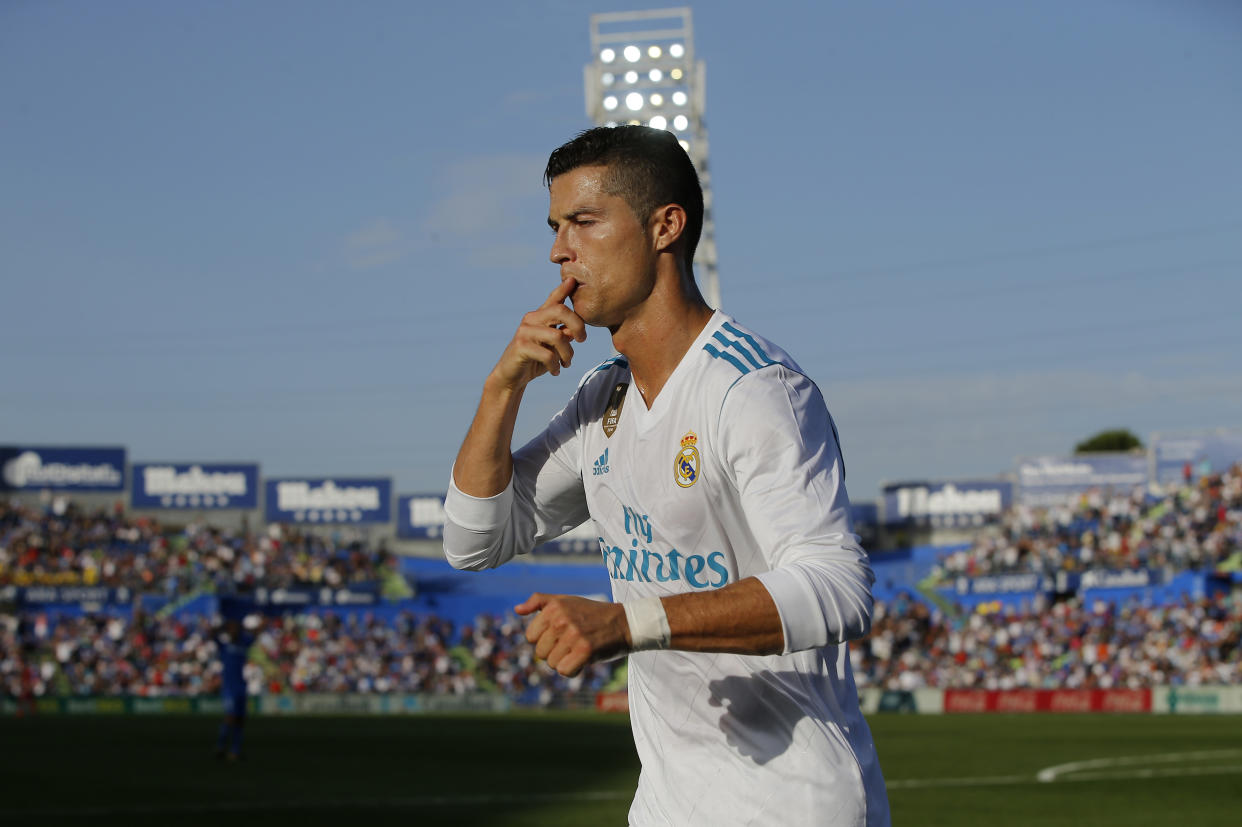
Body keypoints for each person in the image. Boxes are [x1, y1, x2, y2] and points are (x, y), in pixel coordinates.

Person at [443, 125, 889, 825]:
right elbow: (474, 539)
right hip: (669, 803)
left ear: (665, 227)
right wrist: (501, 389)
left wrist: (629, 622)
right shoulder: (602, 399)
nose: (559, 249)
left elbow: (838, 588)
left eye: (584, 222)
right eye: (556, 227)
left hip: (790, 803)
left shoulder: (753, 387)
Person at [213, 611, 257, 761]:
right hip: (229, 688)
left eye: (235, 628)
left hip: (241, 687)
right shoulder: (224, 645)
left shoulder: (243, 644)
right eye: (231, 628)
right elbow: (212, 633)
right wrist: (222, 625)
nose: (233, 631)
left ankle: (235, 751)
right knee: (229, 718)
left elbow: (255, 634)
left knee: (240, 720)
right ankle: (220, 746)